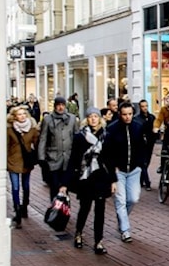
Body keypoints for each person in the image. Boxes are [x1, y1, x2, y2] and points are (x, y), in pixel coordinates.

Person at [66, 107, 113, 255]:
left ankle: (98, 241)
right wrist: (64, 183)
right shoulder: (80, 137)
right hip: (85, 178)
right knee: (85, 208)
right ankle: (79, 233)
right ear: (87, 119)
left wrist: (113, 180)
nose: (94, 119)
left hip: (101, 177)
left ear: (100, 118)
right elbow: (73, 159)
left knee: (100, 211)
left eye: (96, 116)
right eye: (91, 116)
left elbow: (109, 161)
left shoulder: (106, 136)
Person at [102, 102, 148, 243]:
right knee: (120, 201)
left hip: (134, 169)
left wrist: (141, 164)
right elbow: (107, 152)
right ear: (120, 114)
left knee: (133, 198)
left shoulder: (138, 127)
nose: (127, 117)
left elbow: (143, 146)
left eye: (130, 114)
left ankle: (122, 219)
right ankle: (125, 230)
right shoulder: (112, 129)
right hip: (118, 171)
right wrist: (112, 169)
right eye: (124, 114)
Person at [38, 95, 79, 202]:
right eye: (58, 105)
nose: (60, 108)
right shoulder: (48, 120)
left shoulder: (72, 119)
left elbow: (76, 137)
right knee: (55, 185)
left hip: (68, 158)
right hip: (53, 158)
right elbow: (43, 139)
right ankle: (55, 210)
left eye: (62, 105)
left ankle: (64, 210)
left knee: (66, 186)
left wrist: (77, 156)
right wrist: (41, 157)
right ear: (55, 106)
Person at [7, 105, 39, 229]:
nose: (22, 116)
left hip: (26, 161)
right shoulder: (9, 130)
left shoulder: (32, 129)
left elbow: (36, 143)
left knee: (26, 186)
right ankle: (17, 210)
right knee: (15, 187)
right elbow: (6, 146)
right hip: (13, 161)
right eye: (19, 114)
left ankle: (25, 206)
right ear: (14, 117)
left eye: (24, 114)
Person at [137, 99, 156, 190]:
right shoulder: (137, 118)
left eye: (146, 106)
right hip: (141, 144)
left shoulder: (152, 117)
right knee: (143, 163)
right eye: (143, 106)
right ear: (140, 107)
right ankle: (147, 182)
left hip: (150, 143)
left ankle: (141, 180)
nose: (145, 108)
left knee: (147, 162)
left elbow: (155, 128)